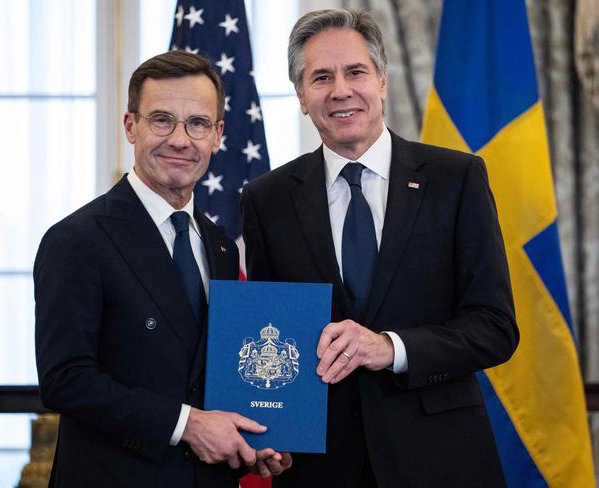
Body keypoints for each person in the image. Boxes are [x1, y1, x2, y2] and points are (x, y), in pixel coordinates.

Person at [241, 9, 519, 488]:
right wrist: (271, 432)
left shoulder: (457, 179)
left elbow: (495, 328)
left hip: (441, 457)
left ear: (383, 82)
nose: (341, 90)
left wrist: (391, 347)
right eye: (321, 77)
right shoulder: (266, 199)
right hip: (320, 466)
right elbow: (270, 328)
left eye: (355, 72)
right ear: (302, 97)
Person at [35, 51, 290, 487]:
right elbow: (66, 380)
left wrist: (253, 440)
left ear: (218, 135)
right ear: (130, 126)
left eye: (197, 123)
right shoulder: (77, 240)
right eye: (161, 120)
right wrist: (187, 425)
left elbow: (216, 376)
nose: (179, 139)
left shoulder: (223, 247)